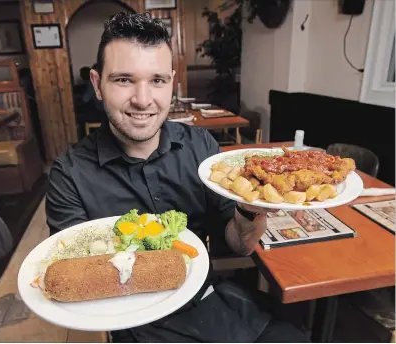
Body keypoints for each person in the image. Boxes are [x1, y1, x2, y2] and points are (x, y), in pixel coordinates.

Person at [46, 12, 308, 343]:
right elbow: (78, 278)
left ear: (171, 82)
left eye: (157, 80)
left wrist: (248, 209)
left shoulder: (201, 146)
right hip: (134, 323)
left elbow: (240, 246)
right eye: (124, 80)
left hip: (213, 300)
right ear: (98, 85)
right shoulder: (69, 175)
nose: (143, 100)